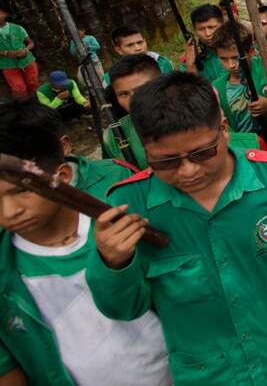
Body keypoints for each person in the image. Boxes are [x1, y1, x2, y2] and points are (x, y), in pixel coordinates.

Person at [85, 72, 267, 385]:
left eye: (202, 152)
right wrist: (114, 264)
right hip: (209, 372)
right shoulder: (127, 205)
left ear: (223, 128)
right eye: (166, 161)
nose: (188, 171)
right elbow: (124, 309)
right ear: (145, 148)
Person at [0, 99, 171, 386]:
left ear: (62, 175)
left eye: (22, 191)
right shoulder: (6, 271)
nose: (9, 211)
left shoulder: (125, 227)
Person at [105, 54, 267, 167]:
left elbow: (232, 147)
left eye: (141, 89)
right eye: (123, 94)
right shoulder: (115, 136)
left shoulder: (197, 112)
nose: (134, 100)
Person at [211, 21, 267, 140]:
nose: (231, 65)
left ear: (251, 51)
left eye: (235, 58)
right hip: (246, 152)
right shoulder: (217, 88)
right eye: (223, 59)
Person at [107, 25, 174, 83]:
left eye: (140, 42)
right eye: (130, 45)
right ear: (119, 50)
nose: (138, 48)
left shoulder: (163, 63)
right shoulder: (110, 77)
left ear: (145, 41)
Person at [179, 3, 227, 84]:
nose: (207, 34)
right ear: (194, 30)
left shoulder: (237, 47)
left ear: (222, 25)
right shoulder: (190, 58)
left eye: (211, 27)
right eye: (201, 29)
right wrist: (191, 66)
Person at [0, 4, 38, 97]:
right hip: (7, 64)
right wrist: (6, 53)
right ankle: (24, 109)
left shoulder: (17, 27)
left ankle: (38, 106)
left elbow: (31, 43)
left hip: (27, 60)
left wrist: (25, 50)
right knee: (18, 89)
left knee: (33, 84)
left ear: (5, 14)